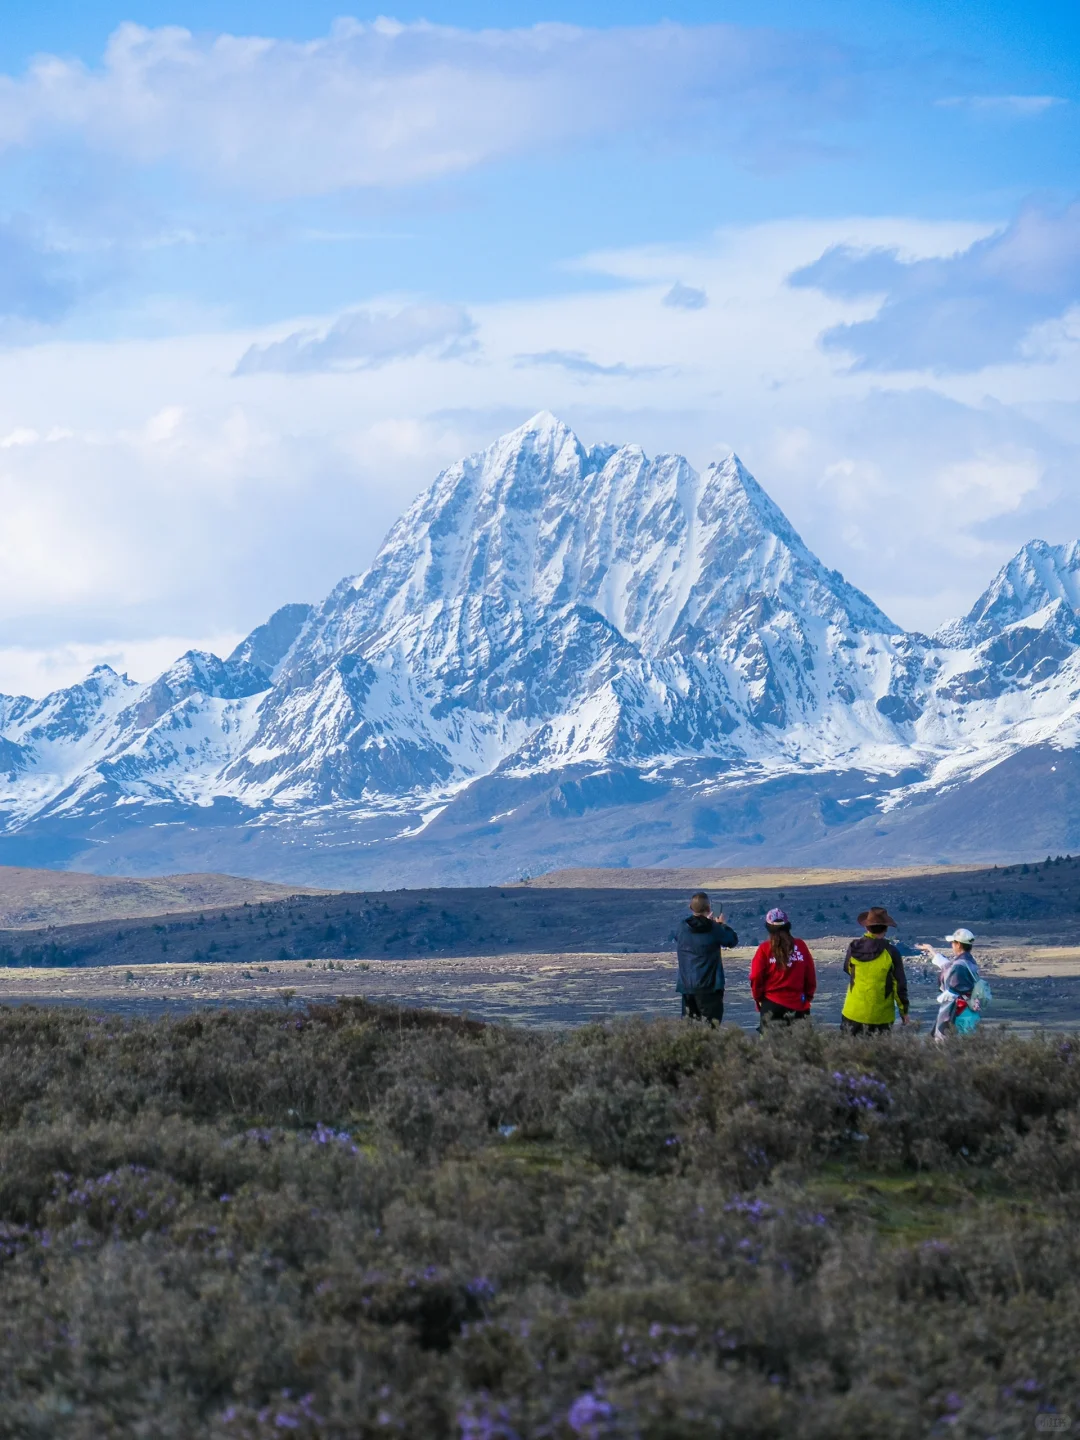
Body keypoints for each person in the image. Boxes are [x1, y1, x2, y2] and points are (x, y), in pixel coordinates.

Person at [840, 906, 910, 1035]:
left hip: (852, 1012)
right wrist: (904, 1012)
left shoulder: (854, 947)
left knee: (847, 1054)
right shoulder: (891, 952)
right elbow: (899, 986)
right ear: (886, 929)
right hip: (880, 1017)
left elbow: (848, 969)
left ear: (866, 927)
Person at [675, 891, 738, 1024]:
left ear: (690, 907)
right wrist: (721, 925)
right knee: (711, 1029)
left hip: (687, 987)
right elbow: (731, 941)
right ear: (709, 908)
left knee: (688, 1032)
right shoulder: (714, 929)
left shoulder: (681, 928)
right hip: (710, 988)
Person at [749, 907, 816, 1028]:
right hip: (799, 1006)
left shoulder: (764, 949)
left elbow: (755, 976)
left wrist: (759, 998)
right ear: (787, 926)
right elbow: (810, 975)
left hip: (771, 1006)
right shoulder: (800, 946)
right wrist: (807, 997)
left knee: (770, 1046)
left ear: (768, 928)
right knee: (803, 1045)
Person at [916, 928, 982, 1040]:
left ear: (958, 945)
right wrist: (931, 950)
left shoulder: (959, 966)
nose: (951, 945)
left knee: (951, 1043)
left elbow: (951, 982)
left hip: (958, 1011)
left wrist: (942, 998)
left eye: (953, 942)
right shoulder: (969, 962)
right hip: (969, 1011)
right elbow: (946, 965)